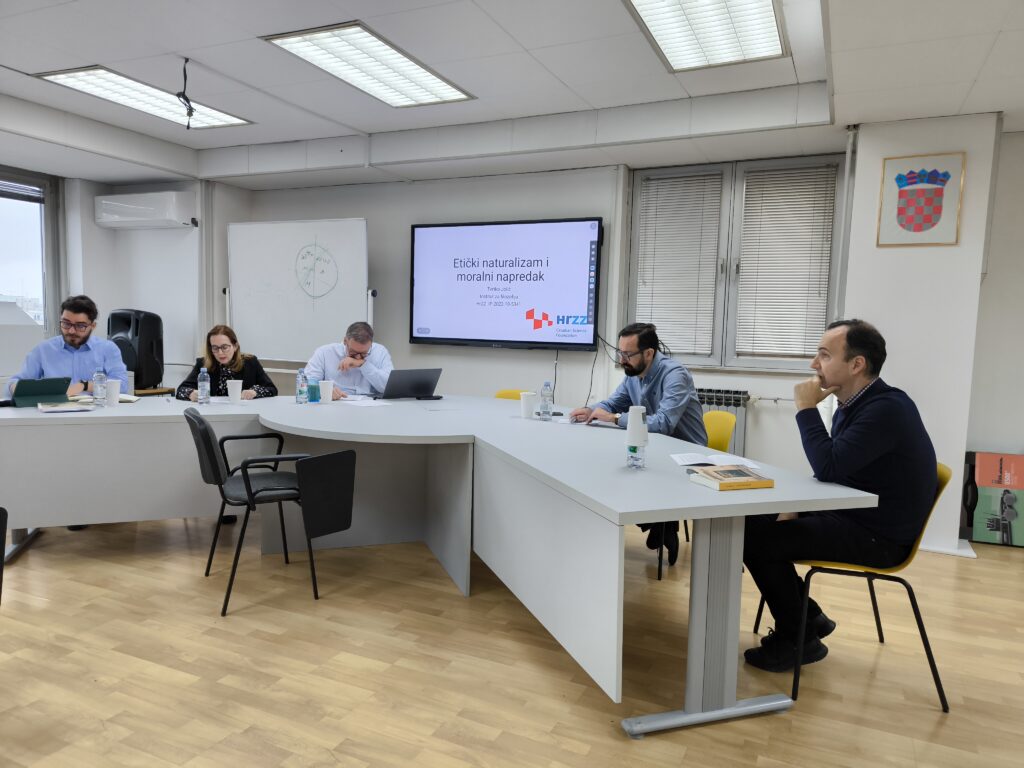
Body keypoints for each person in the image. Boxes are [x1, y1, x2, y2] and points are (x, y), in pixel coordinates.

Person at [743, 319, 937, 672]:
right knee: (751, 522)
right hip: (856, 515)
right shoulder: (857, 404)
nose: (814, 364)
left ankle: (798, 639)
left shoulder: (886, 409)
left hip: (879, 536)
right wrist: (796, 508)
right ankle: (809, 618)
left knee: (756, 540)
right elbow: (837, 471)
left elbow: (829, 466)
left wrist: (805, 408)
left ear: (856, 364)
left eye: (824, 355)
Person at [569, 322, 707, 565]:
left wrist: (614, 418)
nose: (622, 360)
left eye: (627, 354)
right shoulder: (633, 375)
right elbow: (613, 403)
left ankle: (663, 523)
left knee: (629, 474)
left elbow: (663, 423)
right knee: (611, 469)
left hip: (686, 453)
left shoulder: (675, 375)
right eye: (620, 353)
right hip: (652, 447)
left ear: (649, 353)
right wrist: (591, 410)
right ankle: (661, 524)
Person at [7, 294, 128, 398]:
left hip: (96, 412)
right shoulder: (44, 350)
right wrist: (18, 388)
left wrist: (85, 385)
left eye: (80, 326)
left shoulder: (108, 349)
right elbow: (14, 383)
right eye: (66, 323)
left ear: (93, 326)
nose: (71, 331)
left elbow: (122, 386)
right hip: (54, 413)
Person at [175, 325, 277, 402]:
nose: (220, 353)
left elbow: (271, 389)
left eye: (224, 347)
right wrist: (191, 394)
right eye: (215, 348)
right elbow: (181, 390)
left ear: (235, 346)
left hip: (243, 414)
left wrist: (254, 392)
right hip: (212, 413)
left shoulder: (250, 362)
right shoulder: (203, 363)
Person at [304, 321, 393, 399]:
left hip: (372, 405)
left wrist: (363, 364)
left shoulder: (380, 352)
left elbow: (389, 387)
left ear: (371, 344)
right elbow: (307, 383)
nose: (358, 357)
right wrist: (324, 391)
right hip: (336, 404)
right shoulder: (324, 353)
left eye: (364, 353)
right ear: (345, 341)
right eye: (353, 352)